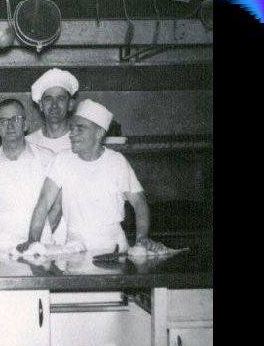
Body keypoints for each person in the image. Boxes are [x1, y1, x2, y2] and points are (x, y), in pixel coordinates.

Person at [17, 99, 165, 254]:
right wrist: (33, 240)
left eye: (80, 129)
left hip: (113, 248)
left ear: (99, 133)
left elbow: (139, 202)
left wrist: (142, 238)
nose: (72, 134)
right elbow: (44, 203)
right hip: (75, 247)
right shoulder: (62, 160)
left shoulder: (116, 161)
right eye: (72, 128)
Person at [0, 99, 59, 259]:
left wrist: (40, 237)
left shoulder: (48, 158)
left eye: (15, 119)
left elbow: (57, 207)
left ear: (25, 124)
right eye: (3, 121)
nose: (10, 125)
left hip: (39, 248)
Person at [25, 68, 80, 244]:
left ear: (71, 104)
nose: (54, 105)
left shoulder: (81, 144)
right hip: (36, 234)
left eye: (61, 99)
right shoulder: (27, 144)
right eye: (48, 99)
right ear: (40, 105)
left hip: (76, 235)